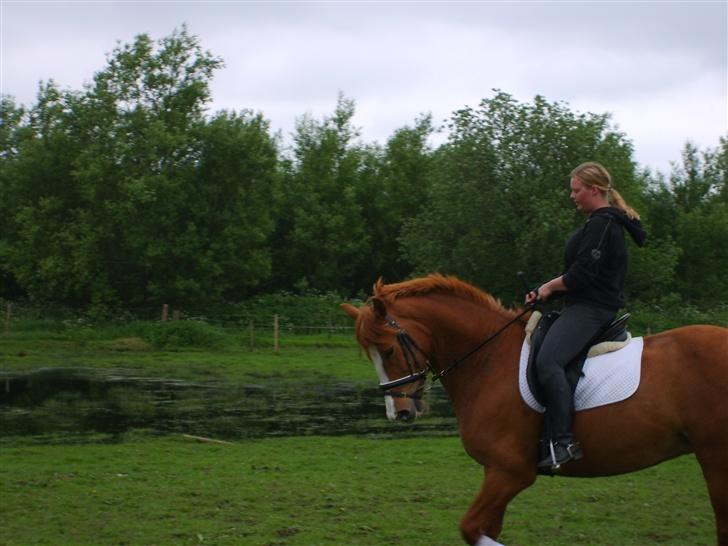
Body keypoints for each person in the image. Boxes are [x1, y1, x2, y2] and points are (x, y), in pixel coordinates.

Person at [525, 161, 647, 471]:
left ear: (594, 190)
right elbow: (582, 276)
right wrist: (545, 291)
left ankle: (562, 441)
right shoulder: (601, 222)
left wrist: (548, 287)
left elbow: (580, 275)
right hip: (584, 305)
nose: (572, 196)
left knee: (548, 361)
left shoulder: (602, 224)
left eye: (576, 190)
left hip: (592, 310)